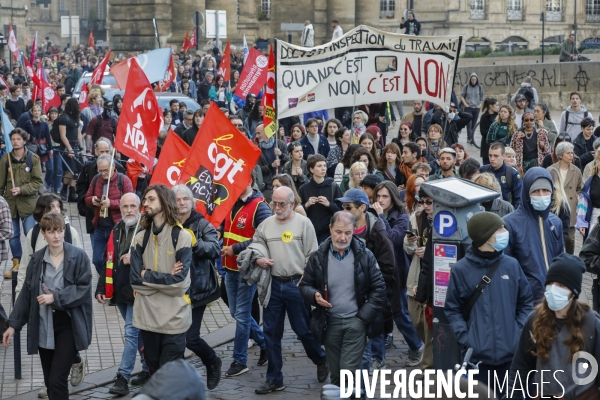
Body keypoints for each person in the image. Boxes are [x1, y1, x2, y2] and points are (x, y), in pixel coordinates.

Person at [3, 212, 93, 400]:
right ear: (43, 233)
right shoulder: (36, 260)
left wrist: (56, 297)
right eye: (51, 232)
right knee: (49, 380)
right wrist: (12, 325)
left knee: (57, 380)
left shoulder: (78, 256)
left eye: (60, 231)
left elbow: (83, 289)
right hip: (43, 324)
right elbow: (27, 295)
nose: (56, 236)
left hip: (69, 323)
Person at [248, 186, 328, 394]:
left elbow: (313, 254)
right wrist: (258, 258)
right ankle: (274, 378)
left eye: (281, 203)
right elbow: (255, 246)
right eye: (273, 202)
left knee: (303, 330)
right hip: (273, 284)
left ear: (292, 204)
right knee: (271, 333)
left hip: (296, 284)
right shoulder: (265, 225)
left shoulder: (304, 224)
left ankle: (320, 359)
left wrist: (306, 278)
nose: (276, 207)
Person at [445, 212, 533, 396]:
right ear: (486, 236)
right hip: (478, 361)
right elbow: (452, 309)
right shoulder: (461, 269)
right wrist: (467, 338)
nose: (505, 231)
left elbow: (525, 302)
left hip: (511, 358)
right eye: (500, 228)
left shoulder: (511, 265)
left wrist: (516, 332)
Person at [299, 211, 386, 389]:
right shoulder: (318, 257)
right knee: (337, 375)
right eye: (338, 232)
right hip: (330, 322)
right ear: (330, 229)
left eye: (347, 233)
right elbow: (305, 284)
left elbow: (379, 288)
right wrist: (314, 295)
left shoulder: (365, 255)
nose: (343, 237)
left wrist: (362, 318)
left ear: (354, 231)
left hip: (356, 322)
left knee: (348, 371)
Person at [508, 254, 600, 399]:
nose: (553, 289)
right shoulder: (534, 320)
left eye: (561, 286)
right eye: (550, 284)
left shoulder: (591, 322)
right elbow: (520, 368)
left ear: (573, 292)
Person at [129, 184, 193, 375]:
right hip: (147, 318)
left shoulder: (181, 236)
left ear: (164, 202)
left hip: (174, 320)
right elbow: (134, 280)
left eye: (151, 199)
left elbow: (180, 284)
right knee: (155, 374)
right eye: (145, 199)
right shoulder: (140, 238)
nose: (145, 204)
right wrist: (166, 278)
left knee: (169, 377)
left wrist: (146, 275)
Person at [95, 193, 150, 395]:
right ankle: (148, 369)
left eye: (132, 206)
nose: (128, 210)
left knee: (131, 334)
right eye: (125, 206)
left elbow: (156, 261)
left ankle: (123, 377)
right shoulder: (116, 229)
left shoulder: (146, 230)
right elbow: (107, 260)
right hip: (120, 292)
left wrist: (135, 259)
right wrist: (101, 287)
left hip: (138, 292)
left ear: (139, 208)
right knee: (138, 334)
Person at [172, 185, 223, 390]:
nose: (182, 202)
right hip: (173, 289)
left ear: (192, 202)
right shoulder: (169, 224)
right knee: (174, 340)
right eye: (177, 199)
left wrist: (194, 243)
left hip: (197, 289)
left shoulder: (202, 224)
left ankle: (212, 361)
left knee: (190, 338)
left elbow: (214, 249)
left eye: (185, 199)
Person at [221, 176, 269, 377]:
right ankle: (265, 343)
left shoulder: (260, 206)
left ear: (249, 179)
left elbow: (264, 236)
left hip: (246, 269)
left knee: (240, 315)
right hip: (229, 267)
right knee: (236, 313)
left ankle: (239, 360)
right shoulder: (229, 201)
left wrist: (237, 248)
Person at [372, 181, 425, 364]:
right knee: (379, 312)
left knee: (400, 313)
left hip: (398, 272)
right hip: (378, 271)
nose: (380, 200)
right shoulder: (372, 215)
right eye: (378, 196)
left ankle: (417, 345)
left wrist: (380, 217)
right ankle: (380, 349)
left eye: (385, 196)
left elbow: (393, 239)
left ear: (393, 197)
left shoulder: (402, 218)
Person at [504, 167, 565, 301]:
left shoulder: (555, 222)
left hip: (553, 298)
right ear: (526, 192)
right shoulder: (510, 223)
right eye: (536, 191)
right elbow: (506, 266)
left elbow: (560, 257)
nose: (541, 195)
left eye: (546, 191)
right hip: (525, 299)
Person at [0, 128, 43, 279]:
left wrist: (22, 189)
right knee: (13, 235)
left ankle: (32, 263)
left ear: (24, 141)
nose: (15, 142)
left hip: (29, 203)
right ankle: (16, 263)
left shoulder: (33, 158)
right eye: (13, 139)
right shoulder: (6, 159)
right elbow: (1, 184)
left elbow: (38, 182)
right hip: (10, 204)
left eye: (18, 139)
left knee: (30, 233)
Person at [85, 153, 134, 275]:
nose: (103, 173)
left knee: (115, 260)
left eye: (105, 170)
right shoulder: (96, 179)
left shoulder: (124, 180)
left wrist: (111, 203)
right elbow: (87, 198)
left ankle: (111, 284)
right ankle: (105, 281)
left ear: (113, 166)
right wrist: (92, 200)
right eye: (100, 170)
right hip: (100, 227)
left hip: (117, 228)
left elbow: (130, 201)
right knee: (97, 260)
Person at [405, 188, 433, 370]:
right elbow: (407, 246)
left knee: (430, 326)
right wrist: (413, 245)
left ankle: (428, 367)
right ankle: (432, 353)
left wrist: (429, 251)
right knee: (416, 320)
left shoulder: (444, 219)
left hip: (432, 278)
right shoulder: (416, 217)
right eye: (423, 202)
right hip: (416, 274)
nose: (426, 206)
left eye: (429, 202)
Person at [547, 142, 582, 254]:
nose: (571, 155)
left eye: (572, 153)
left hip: (570, 207)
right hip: (555, 206)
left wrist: (577, 198)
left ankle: (570, 258)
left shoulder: (576, 170)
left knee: (570, 239)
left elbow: (579, 188)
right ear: (560, 155)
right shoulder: (551, 170)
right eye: (568, 153)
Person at [298, 154, 342, 243]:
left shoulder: (333, 186)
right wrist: (306, 205)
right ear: (311, 169)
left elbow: (341, 210)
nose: (323, 168)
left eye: (324, 165)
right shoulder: (304, 188)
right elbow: (297, 213)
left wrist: (329, 204)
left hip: (328, 232)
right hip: (308, 231)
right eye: (319, 166)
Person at [480, 142, 522, 208]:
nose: (492, 159)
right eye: (490, 155)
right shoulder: (483, 170)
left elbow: (518, 200)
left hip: (505, 213)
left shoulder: (513, 174)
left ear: (503, 156)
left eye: (496, 156)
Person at [57, 98, 84, 202]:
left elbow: (79, 134)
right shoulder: (64, 118)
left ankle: (72, 193)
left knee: (76, 170)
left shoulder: (76, 117)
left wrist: (81, 148)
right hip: (67, 146)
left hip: (75, 146)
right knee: (70, 170)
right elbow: (63, 135)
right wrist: (69, 149)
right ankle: (64, 190)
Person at [255, 124, 289, 202]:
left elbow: (288, 161)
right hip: (268, 187)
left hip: (283, 183)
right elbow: (258, 169)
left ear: (266, 132)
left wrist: (281, 155)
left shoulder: (280, 144)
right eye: (256, 133)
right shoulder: (257, 149)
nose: (257, 136)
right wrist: (271, 166)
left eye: (259, 133)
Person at [576, 152, 600, 238]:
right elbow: (583, 203)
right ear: (596, 162)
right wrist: (581, 223)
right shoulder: (590, 182)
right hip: (595, 218)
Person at [460, 73, 484, 145]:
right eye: (472, 79)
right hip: (468, 108)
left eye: (475, 80)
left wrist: (480, 104)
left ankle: (473, 138)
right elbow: (462, 96)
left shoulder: (479, 87)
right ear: (470, 79)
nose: (473, 81)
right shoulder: (466, 86)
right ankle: (469, 138)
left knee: (474, 124)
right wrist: (465, 104)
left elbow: (482, 96)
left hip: (476, 108)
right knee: (469, 124)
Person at [479, 98, 499, 165]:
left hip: (497, 143)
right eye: (496, 105)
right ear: (491, 106)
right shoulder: (484, 117)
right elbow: (483, 131)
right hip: (486, 145)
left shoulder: (498, 116)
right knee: (487, 165)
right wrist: (493, 131)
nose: (498, 107)